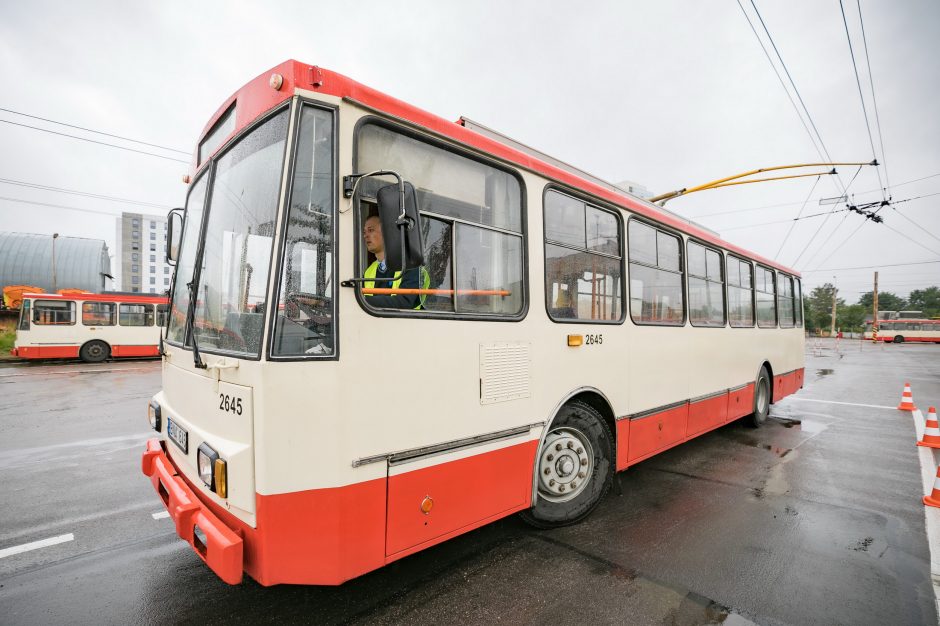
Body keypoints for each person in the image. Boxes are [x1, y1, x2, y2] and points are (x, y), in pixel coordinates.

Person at [362, 215, 427, 309]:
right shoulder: (369, 270)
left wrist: (360, 300)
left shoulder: (411, 263)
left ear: (387, 233)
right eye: (364, 232)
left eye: (371, 230)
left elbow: (405, 301)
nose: (365, 235)